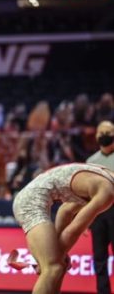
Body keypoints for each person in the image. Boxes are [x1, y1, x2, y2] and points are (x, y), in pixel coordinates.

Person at [12, 163, 114, 294]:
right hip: (30, 203)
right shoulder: (107, 192)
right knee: (53, 268)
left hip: (32, 197)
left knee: (58, 266)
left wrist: (57, 252)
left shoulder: (104, 178)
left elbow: (65, 211)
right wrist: (58, 253)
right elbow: (74, 230)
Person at [87, 120, 114, 294]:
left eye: (108, 132)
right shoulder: (91, 161)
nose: (104, 136)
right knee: (99, 257)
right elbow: (87, 192)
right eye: (101, 133)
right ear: (97, 136)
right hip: (98, 214)